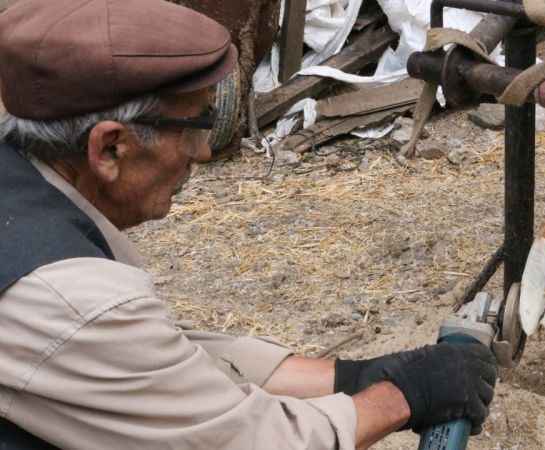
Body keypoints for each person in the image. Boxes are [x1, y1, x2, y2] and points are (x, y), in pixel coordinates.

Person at [0, 1, 498, 449]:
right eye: (197, 125)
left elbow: (155, 362)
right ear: (110, 148)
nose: (202, 153)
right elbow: (251, 441)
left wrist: (352, 376)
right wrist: (403, 396)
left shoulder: (23, 193)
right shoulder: (69, 299)